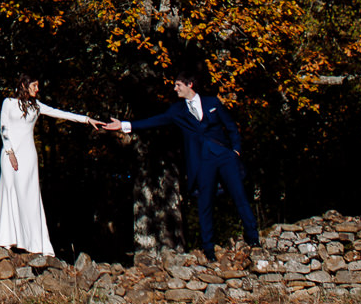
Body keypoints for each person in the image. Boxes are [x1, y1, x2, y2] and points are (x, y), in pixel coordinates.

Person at [100, 71, 259, 261]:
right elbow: (155, 121)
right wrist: (125, 125)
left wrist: (236, 152)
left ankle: (253, 239)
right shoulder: (177, 111)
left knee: (239, 195)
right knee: (205, 203)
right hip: (202, 161)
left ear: (190, 84)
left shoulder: (213, 103)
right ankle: (209, 250)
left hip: (225, 156)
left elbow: (231, 127)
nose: (175, 89)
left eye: (178, 85)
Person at [0, 74, 96, 256]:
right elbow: (3, 127)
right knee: (9, 188)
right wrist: (10, 152)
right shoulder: (8, 103)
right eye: (35, 86)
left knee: (29, 194)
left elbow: (60, 113)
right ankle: (7, 237)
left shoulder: (36, 107)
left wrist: (86, 119)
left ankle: (33, 242)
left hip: (28, 155)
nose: (38, 89)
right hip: (10, 153)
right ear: (24, 85)